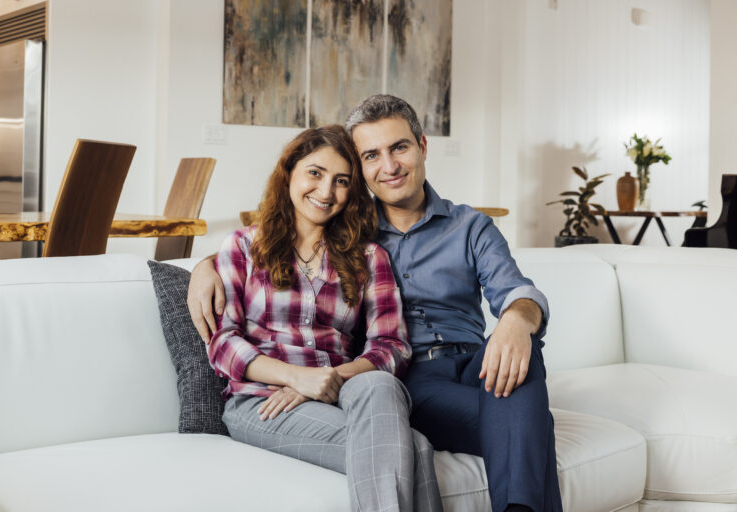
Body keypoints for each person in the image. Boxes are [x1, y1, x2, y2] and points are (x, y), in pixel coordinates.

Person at [190, 97, 562, 512]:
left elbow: (514, 292)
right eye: (371, 155)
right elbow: (252, 285)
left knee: (527, 353)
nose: (389, 166)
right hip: (411, 381)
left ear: (423, 146)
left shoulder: (451, 230)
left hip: (472, 364)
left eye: (399, 148)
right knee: (524, 424)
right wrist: (202, 267)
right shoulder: (329, 237)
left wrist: (516, 320)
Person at [204, 124, 443, 512]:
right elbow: (223, 342)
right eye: (315, 173)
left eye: (341, 181)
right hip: (263, 403)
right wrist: (295, 377)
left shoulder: (369, 258)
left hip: (341, 397)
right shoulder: (245, 246)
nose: (326, 191)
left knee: (379, 384)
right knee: (414, 447)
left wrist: (328, 379)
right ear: (290, 174)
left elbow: (392, 346)